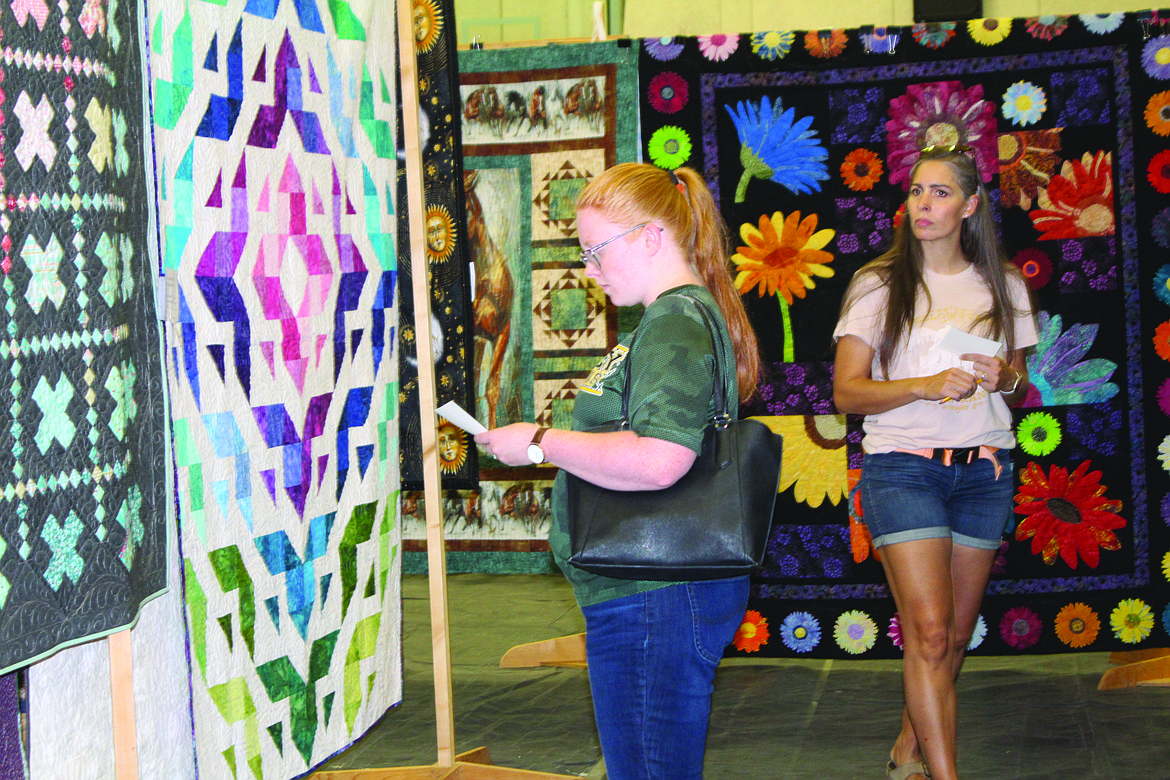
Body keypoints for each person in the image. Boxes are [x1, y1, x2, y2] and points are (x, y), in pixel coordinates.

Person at [475, 163, 759, 780]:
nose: (590, 270)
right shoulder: (680, 317)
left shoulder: (674, 322)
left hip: (652, 595)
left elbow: (661, 459)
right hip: (652, 592)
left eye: (597, 251)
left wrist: (542, 441)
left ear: (652, 236)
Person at [832, 145, 1037, 780]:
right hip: (904, 468)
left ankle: (906, 750)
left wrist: (1004, 376)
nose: (924, 203)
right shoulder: (877, 284)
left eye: (941, 192)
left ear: (970, 205)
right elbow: (846, 393)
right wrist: (921, 384)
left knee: (949, 640)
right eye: (918, 191)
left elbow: (1021, 388)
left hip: (985, 473)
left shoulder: (1003, 283)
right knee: (927, 633)